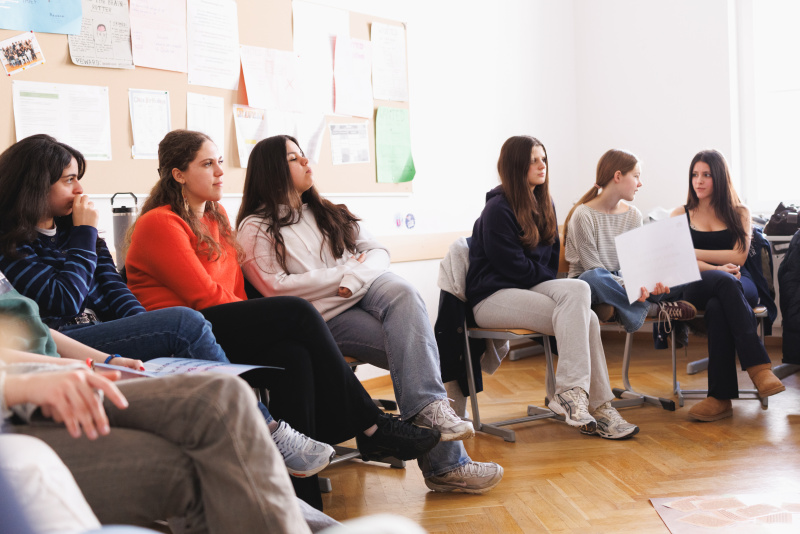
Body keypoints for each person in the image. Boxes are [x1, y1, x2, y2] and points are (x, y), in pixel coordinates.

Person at [124, 130, 440, 507]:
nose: (220, 172)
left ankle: (302, 505)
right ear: (178, 175)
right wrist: (260, 318)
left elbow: (235, 293)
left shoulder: (216, 216)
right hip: (184, 335)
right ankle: (372, 423)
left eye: (220, 161)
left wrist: (258, 320)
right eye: (207, 164)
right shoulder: (160, 222)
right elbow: (203, 297)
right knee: (296, 311)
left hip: (219, 324)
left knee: (295, 357)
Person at [0, 134, 336, 481]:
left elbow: (116, 291)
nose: (79, 189)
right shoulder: (12, 242)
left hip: (107, 336)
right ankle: (264, 430)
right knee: (185, 323)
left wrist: (150, 329)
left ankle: (267, 460)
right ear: (37, 185)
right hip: (67, 340)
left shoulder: (78, 232)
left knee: (281, 349)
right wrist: (85, 234)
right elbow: (63, 301)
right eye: (69, 180)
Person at [234, 134, 503, 494]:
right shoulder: (256, 228)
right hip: (325, 319)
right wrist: (346, 274)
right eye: (294, 159)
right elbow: (278, 289)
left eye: (303, 155)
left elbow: (377, 251)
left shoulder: (329, 210)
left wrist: (355, 276)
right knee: (416, 349)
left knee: (405, 295)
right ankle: (447, 465)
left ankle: (429, 414)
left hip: (361, 294)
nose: (306, 162)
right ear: (272, 169)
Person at [465, 135, 639, 440]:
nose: (541, 164)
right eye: (533, 159)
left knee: (586, 308)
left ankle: (586, 401)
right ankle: (582, 400)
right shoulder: (497, 209)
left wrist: (539, 276)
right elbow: (512, 268)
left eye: (543, 158)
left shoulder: (545, 203)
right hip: (491, 298)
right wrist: (539, 276)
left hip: (529, 289)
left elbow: (545, 264)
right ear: (515, 164)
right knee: (583, 311)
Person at [671, 149, 785, 421]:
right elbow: (678, 258)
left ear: (720, 178)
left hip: (738, 279)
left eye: (706, 175)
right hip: (696, 280)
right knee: (721, 285)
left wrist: (695, 254)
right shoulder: (680, 213)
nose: (698, 181)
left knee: (718, 305)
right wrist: (716, 268)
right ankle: (759, 368)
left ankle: (720, 398)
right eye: (695, 175)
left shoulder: (740, 211)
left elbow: (739, 256)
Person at [563, 148, 697, 332]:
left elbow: (637, 265)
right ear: (618, 176)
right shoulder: (583, 215)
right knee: (592, 278)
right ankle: (653, 309)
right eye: (636, 176)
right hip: (591, 283)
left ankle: (625, 307)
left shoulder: (633, 214)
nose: (640, 183)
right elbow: (592, 266)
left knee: (682, 275)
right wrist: (631, 286)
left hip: (624, 282)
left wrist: (651, 283)